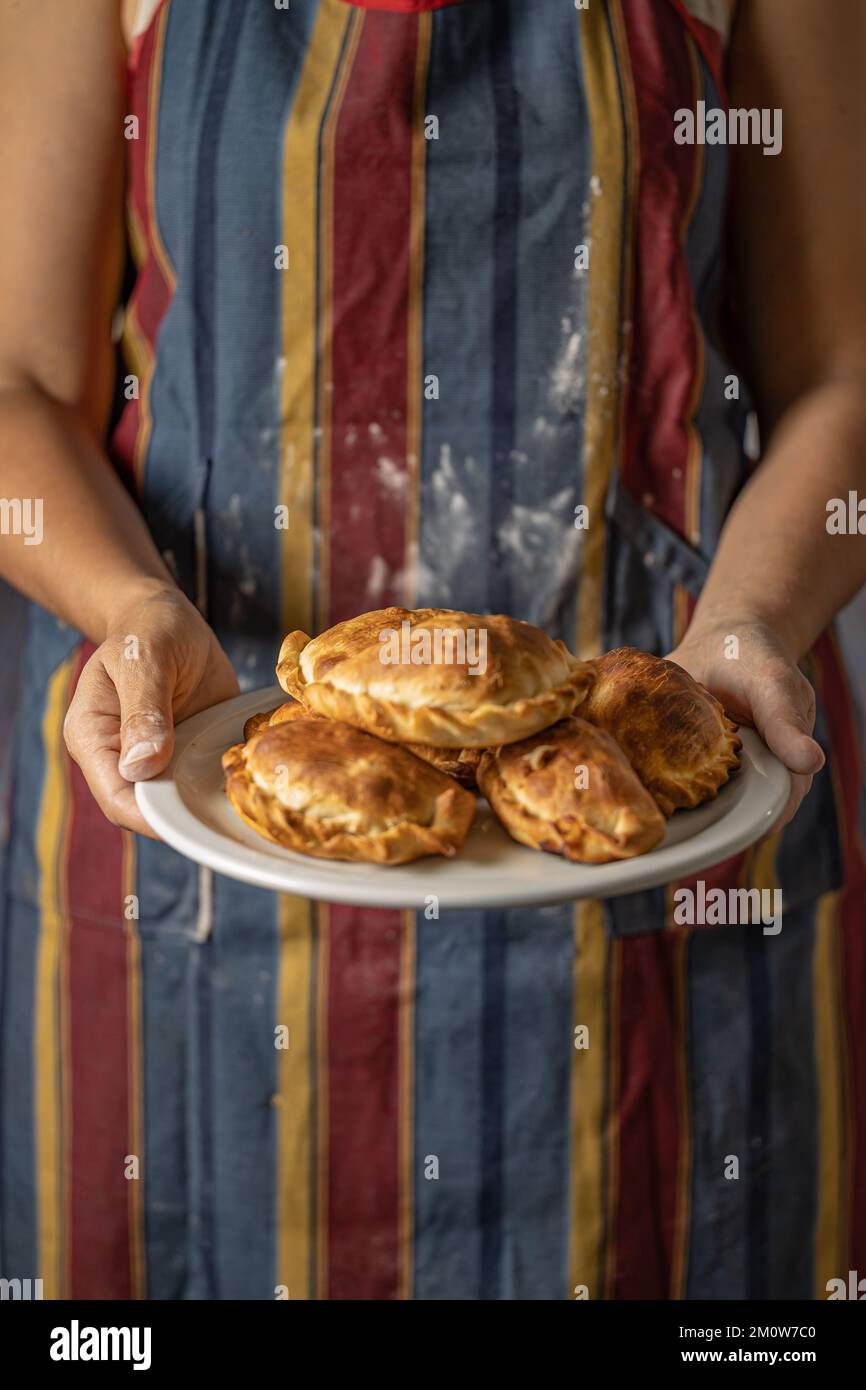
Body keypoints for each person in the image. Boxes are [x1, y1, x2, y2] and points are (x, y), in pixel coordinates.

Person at [0, 0, 864, 1301]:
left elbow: (844, 375)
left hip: (662, 829)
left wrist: (749, 621)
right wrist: (129, 607)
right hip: (190, 813)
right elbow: (15, 377)